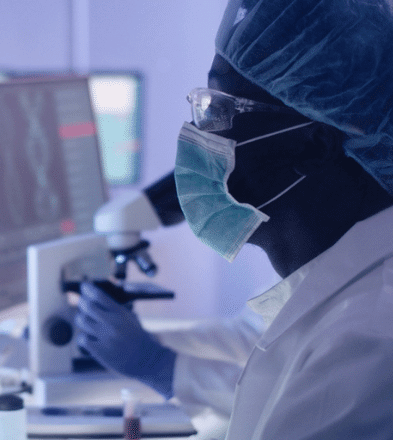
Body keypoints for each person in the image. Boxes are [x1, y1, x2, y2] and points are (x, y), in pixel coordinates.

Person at [75, 0, 393, 438]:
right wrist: (137, 347)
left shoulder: (365, 346)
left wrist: (157, 365)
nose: (197, 133)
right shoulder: (335, 279)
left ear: (314, 144)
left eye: (218, 108)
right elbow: (258, 339)